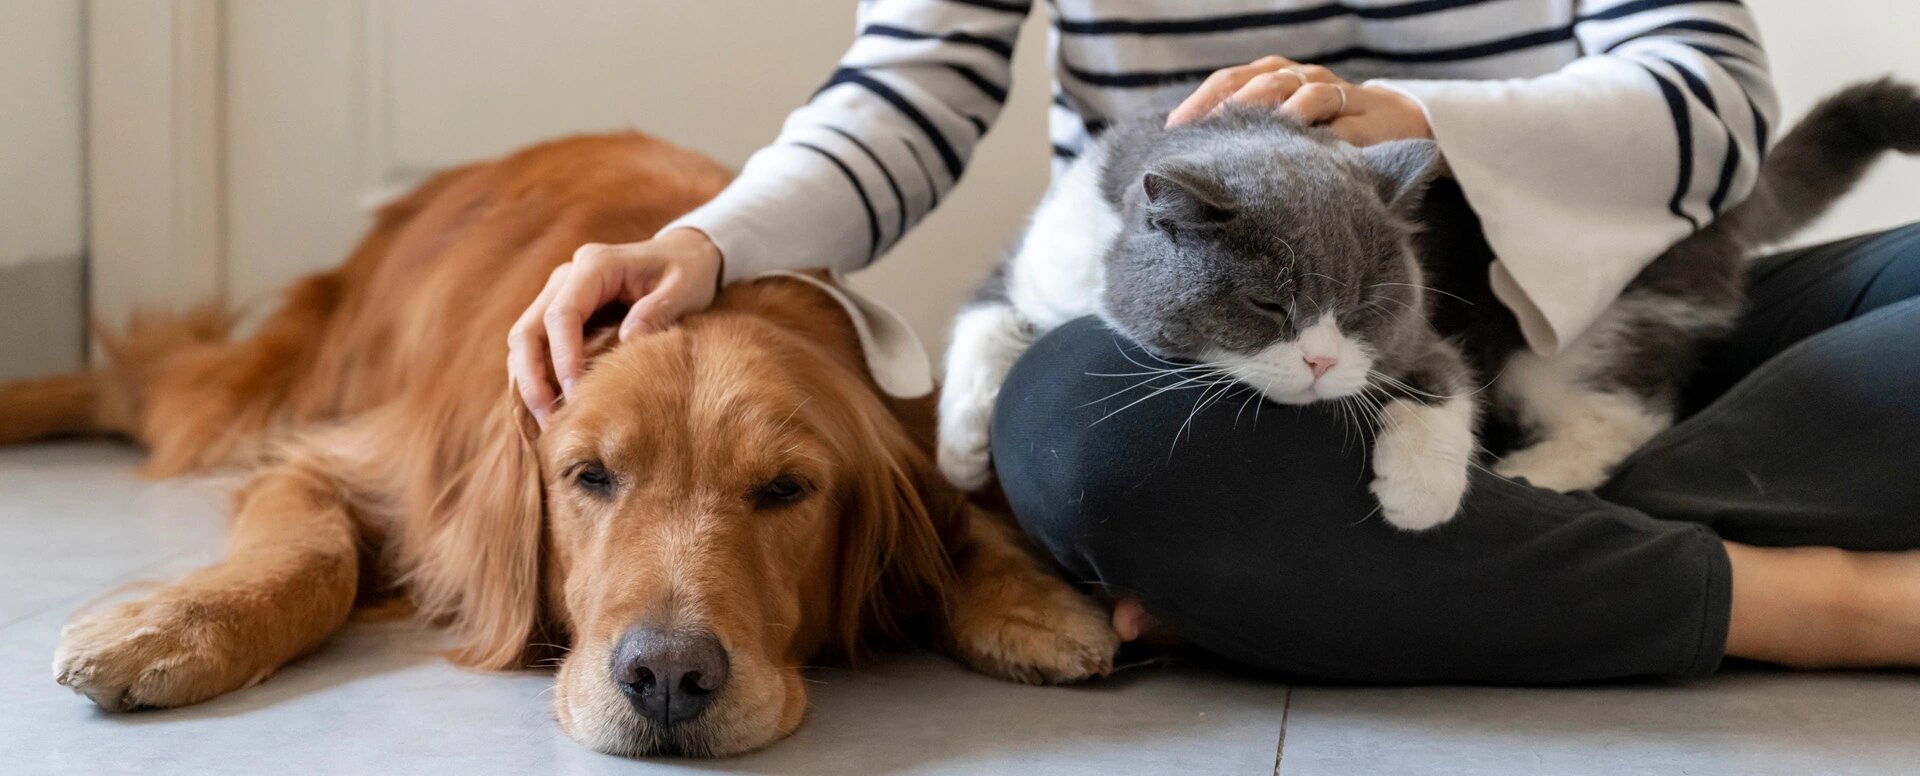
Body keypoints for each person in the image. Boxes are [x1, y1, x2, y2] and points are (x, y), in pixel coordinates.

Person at [508, 1, 1920, 681]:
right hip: (1200, 353)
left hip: (1578, 308)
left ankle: (1373, 570)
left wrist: (1429, 125)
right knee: (1091, 448)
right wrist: (710, 240)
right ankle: (1805, 597)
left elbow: (1713, 95)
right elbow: (907, 93)